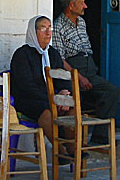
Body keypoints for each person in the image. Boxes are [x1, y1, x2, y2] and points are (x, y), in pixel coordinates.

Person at [52, 0, 119, 145]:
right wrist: (79, 77)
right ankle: (74, 143)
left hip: (90, 71)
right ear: (71, 5)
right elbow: (60, 59)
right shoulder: (58, 27)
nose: (86, 6)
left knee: (111, 91)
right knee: (74, 101)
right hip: (72, 74)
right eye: (81, 3)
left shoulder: (81, 22)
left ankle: (100, 137)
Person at [10, 15, 77, 162]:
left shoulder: (52, 53)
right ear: (34, 32)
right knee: (47, 112)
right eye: (43, 28)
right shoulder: (22, 55)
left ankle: (72, 149)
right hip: (29, 100)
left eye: (50, 28)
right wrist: (53, 98)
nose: (48, 32)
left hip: (52, 99)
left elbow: (63, 77)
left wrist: (65, 94)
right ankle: (60, 151)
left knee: (72, 108)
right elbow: (26, 86)